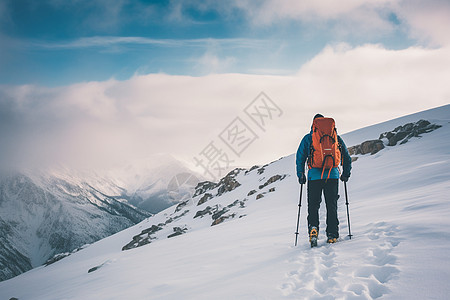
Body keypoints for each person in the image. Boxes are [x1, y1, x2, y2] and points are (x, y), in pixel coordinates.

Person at [296, 114, 352, 246]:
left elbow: (300, 157)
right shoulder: (335, 137)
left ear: (314, 124)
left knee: (313, 205)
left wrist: (301, 174)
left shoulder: (309, 138)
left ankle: (313, 229)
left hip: (314, 176)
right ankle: (332, 234)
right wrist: (346, 174)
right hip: (332, 175)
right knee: (331, 205)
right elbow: (346, 156)